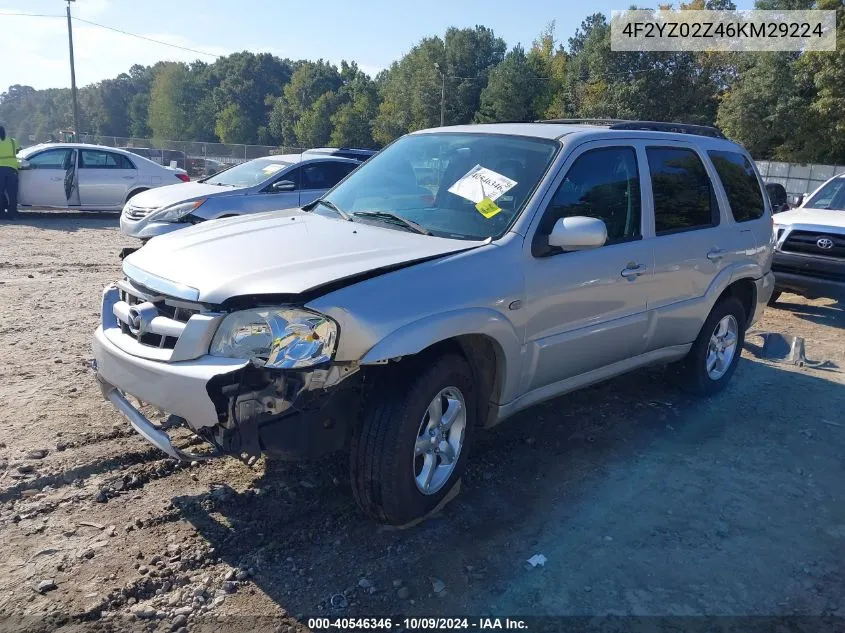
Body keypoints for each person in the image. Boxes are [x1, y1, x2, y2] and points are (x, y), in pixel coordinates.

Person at [0, 126, 21, 218]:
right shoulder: (13, 141)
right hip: (12, 169)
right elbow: (18, 151)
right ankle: (13, 214)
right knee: (12, 193)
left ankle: (1, 214)